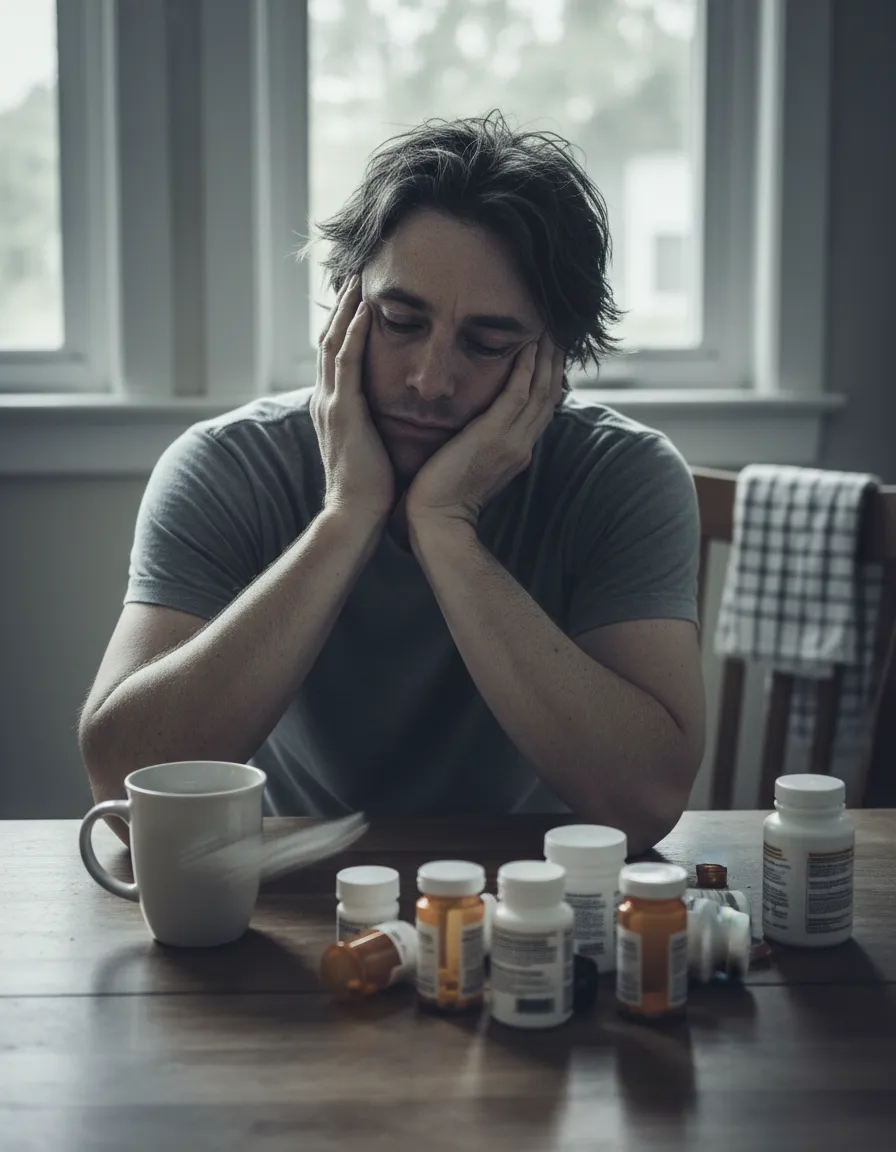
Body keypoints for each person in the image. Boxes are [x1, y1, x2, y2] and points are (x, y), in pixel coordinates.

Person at [79, 111, 705, 854]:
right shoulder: (227, 465)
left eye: (487, 343)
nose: (430, 381)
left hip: (536, 895)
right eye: (400, 321)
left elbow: (648, 799)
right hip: (285, 892)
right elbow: (120, 784)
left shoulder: (624, 477)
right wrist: (346, 515)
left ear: (555, 359)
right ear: (344, 309)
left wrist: (447, 527)